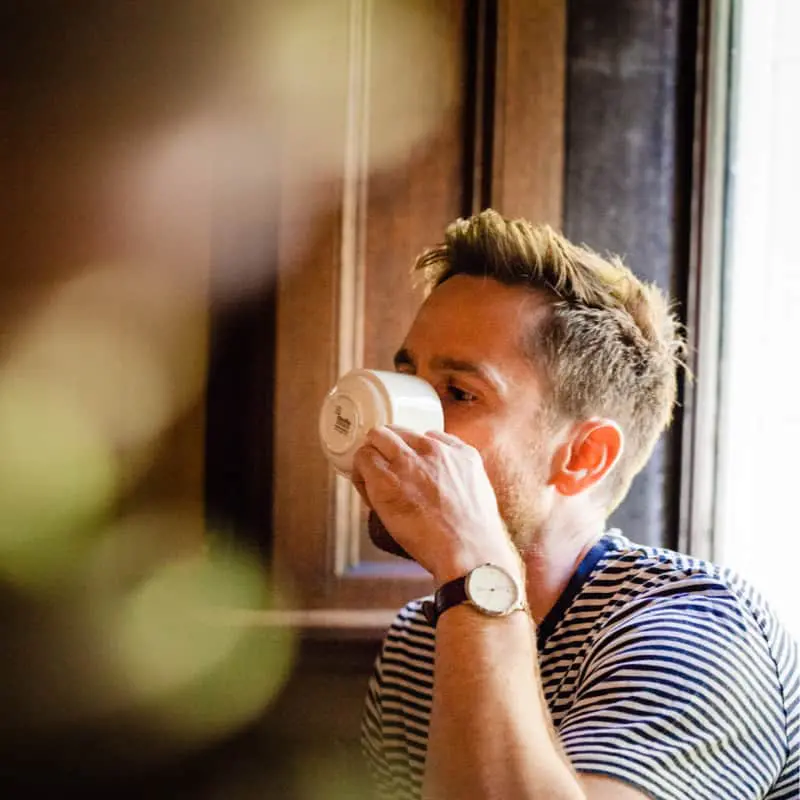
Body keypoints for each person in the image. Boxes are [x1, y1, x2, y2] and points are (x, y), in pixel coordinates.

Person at [353, 210, 799, 800]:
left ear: (583, 456)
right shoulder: (421, 639)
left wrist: (476, 574)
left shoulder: (702, 632)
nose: (391, 421)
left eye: (459, 393)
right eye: (406, 378)